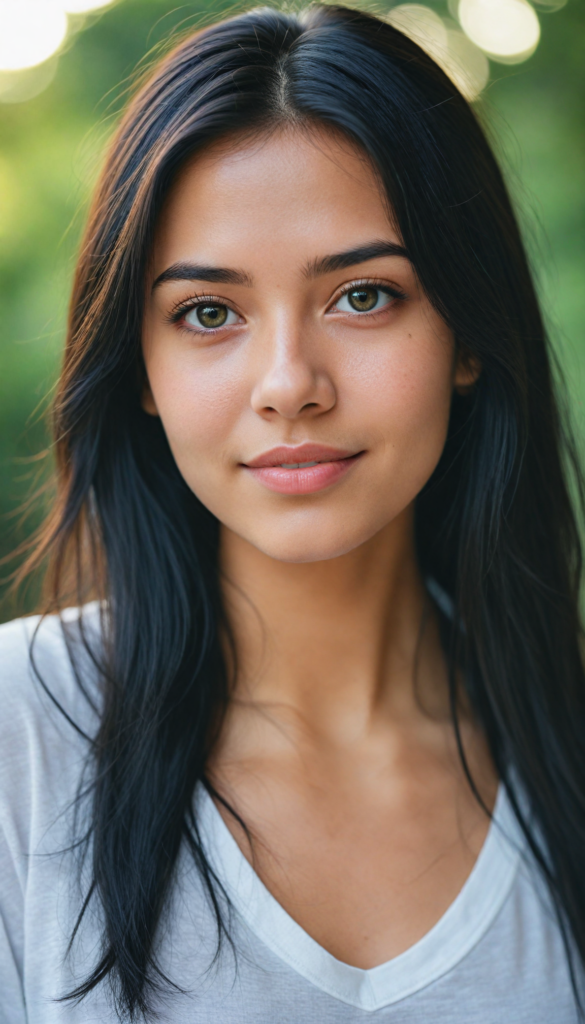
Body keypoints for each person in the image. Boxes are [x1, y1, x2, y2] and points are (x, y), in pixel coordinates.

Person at [1, 4, 584, 1022]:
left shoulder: (565, 739)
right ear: (140, 368)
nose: (288, 384)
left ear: (468, 334)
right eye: (209, 313)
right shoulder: (21, 734)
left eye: (363, 295)